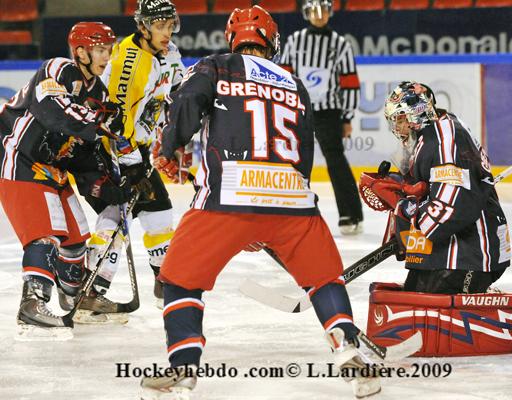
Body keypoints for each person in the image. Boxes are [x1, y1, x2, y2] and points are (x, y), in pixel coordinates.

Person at [140, 6, 381, 399]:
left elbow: (186, 104)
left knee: (178, 281)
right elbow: (303, 150)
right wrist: (282, 210)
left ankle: (183, 367)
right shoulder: (293, 80)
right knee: (325, 281)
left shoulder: (216, 66)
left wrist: (169, 148)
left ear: (234, 39)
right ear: (272, 41)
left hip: (227, 198)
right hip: (291, 198)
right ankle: (347, 349)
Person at [0, 22, 124, 340]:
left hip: (52, 167)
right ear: (80, 51)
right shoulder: (59, 69)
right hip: (20, 157)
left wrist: (103, 183)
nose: (107, 56)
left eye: (109, 49)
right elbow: (50, 111)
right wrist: (97, 124)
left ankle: (75, 301)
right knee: (45, 235)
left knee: (75, 239)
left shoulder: (98, 92)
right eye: (101, 49)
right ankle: (33, 303)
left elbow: (81, 151)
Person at [78, 0, 186, 322]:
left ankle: (162, 284)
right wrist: (132, 164)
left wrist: (172, 139)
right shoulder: (130, 63)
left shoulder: (168, 52)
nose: (166, 33)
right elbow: (114, 122)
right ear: (143, 27)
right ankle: (91, 292)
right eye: (159, 26)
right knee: (119, 215)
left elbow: (176, 94)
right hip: (111, 149)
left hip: (138, 149)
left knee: (155, 211)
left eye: (170, 26)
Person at [377, 81, 510, 294]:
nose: (397, 127)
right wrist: (398, 189)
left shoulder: (445, 139)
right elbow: (428, 186)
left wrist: (407, 213)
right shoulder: (432, 134)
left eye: (400, 119)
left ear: (416, 115)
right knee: (413, 295)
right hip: (448, 251)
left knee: (420, 305)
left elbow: (452, 207)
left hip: (470, 254)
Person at [280, 0, 363, 235]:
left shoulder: (340, 43)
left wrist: (347, 117)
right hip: (300, 109)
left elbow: (349, 82)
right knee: (291, 161)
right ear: (307, 13)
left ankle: (351, 213)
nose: (319, 15)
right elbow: (284, 75)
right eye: (314, 11)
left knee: (336, 161)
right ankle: (288, 211)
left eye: (323, 10)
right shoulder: (295, 40)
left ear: (330, 12)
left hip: (329, 112)